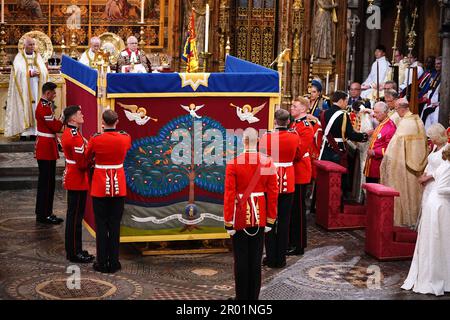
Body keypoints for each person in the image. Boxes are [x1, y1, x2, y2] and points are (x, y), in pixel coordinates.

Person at [223, 128, 278, 300]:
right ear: (258, 141)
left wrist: (228, 221)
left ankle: (241, 299)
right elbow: (273, 192)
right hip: (260, 213)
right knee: (256, 259)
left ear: (243, 141)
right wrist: (270, 219)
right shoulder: (268, 162)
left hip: (239, 214)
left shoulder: (233, 163)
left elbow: (229, 194)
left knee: (240, 259)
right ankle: (253, 298)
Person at [86, 109, 131, 273]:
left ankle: (101, 262)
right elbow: (126, 147)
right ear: (117, 121)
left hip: (99, 187)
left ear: (102, 122)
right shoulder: (125, 137)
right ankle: (114, 261)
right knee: (115, 225)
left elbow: (87, 156)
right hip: (118, 186)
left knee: (101, 225)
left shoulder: (95, 139)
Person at [401, 145, 450, 296]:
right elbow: (442, 189)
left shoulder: (445, 164)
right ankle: (438, 277)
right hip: (439, 205)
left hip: (435, 204)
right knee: (438, 241)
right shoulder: (447, 167)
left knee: (437, 241)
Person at [260, 109, 300, 268]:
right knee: (284, 221)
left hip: (269, 180)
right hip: (288, 181)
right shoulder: (294, 136)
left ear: (275, 121)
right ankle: (281, 258)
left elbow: (261, 157)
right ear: (288, 122)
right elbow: (297, 156)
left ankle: (270, 257)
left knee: (269, 220)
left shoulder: (266, 136)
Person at [380, 98, 428, 228]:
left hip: (404, 167)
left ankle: (404, 219)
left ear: (402, 108)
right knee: (414, 194)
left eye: (396, 109)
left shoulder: (406, 124)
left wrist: (386, 162)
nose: (396, 111)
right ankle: (414, 217)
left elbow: (394, 148)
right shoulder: (418, 120)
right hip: (418, 165)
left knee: (404, 193)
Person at [61, 105, 95, 263]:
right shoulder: (74, 136)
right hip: (77, 179)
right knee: (75, 218)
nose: (82, 115)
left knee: (74, 216)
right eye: (80, 114)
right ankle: (74, 252)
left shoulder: (72, 132)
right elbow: (81, 163)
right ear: (73, 118)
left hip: (75, 177)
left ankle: (75, 249)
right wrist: (92, 159)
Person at [5, 37, 48, 139]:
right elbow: (17, 73)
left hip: (36, 88)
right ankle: (24, 133)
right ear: (24, 45)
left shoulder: (37, 57)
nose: (32, 47)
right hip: (23, 89)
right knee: (23, 107)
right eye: (30, 44)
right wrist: (29, 73)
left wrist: (40, 73)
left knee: (35, 108)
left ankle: (34, 132)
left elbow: (44, 71)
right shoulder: (19, 58)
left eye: (34, 44)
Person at [288, 97, 314, 256]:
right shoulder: (294, 124)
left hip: (299, 171)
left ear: (303, 109)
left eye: (294, 106)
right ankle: (292, 241)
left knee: (297, 211)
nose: (291, 108)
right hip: (293, 170)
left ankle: (298, 245)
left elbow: (298, 151)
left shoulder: (305, 127)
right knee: (292, 210)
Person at [35, 82, 64, 225]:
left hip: (47, 146)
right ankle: (45, 214)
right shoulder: (44, 109)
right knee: (47, 183)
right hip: (45, 149)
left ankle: (43, 212)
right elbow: (56, 127)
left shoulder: (45, 106)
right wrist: (63, 118)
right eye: (53, 93)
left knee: (46, 182)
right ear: (47, 94)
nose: (55, 95)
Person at [364, 102, 396, 184]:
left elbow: (390, 148)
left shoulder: (390, 127)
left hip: (378, 166)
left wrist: (375, 152)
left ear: (385, 113)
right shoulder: (381, 123)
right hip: (371, 164)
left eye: (377, 112)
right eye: (374, 112)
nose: (374, 115)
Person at [420, 56, 441, 130]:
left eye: (439, 64)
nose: (436, 65)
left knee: (428, 114)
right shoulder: (437, 75)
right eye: (436, 64)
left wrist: (438, 102)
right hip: (431, 100)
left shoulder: (444, 76)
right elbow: (432, 88)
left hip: (438, 103)